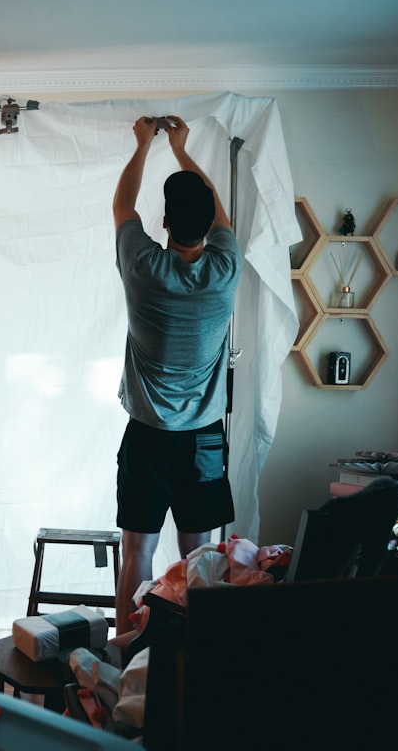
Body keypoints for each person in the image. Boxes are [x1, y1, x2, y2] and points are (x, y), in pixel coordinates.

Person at [111, 114, 241, 635]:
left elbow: (122, 206)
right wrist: (184, 151)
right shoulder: (226, 268)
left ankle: (125, 650)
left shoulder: (142, 266)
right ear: (208, 223)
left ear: (163, 222)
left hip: (148, 438)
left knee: (136, 556)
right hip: (204, 441)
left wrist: (144, 144)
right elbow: (218, 217)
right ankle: (198, 655)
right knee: (200, 557)